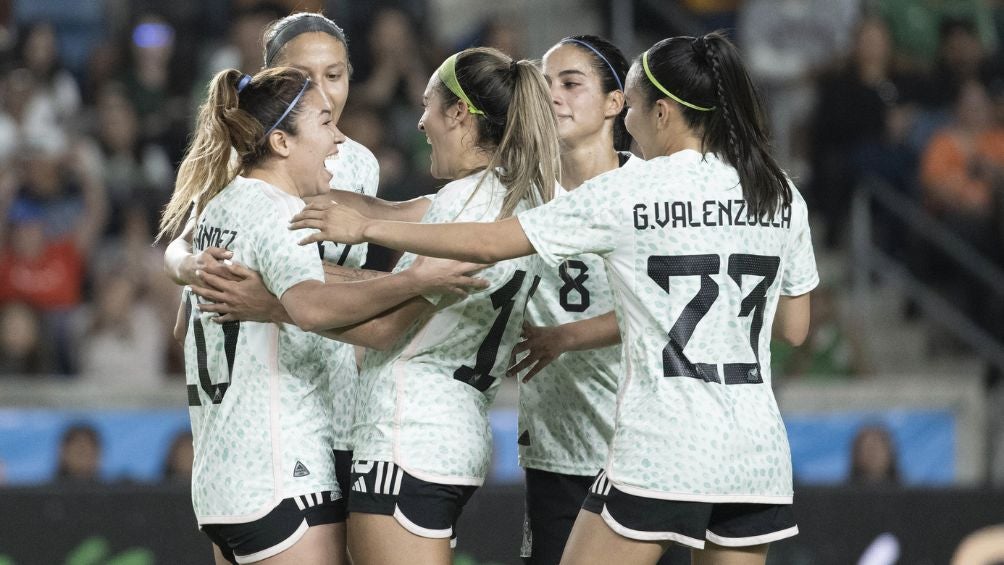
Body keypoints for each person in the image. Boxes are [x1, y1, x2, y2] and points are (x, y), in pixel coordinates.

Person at [292, 32, 817, 565]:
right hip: (757, 455)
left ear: (661, 113)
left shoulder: (631, 191)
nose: (628, 128)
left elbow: (485, 241)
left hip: (663, 445)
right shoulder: (777, 190)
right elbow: (794, 326)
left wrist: (364, 230)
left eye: (632, 109)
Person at [196, 46, 559, 565]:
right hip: (454, 435)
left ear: (459, 114)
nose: (419, 122)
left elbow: (386, 324)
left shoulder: (455, 205)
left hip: (405, 435)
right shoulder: (514, 200)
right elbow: (386, 231)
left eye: (429, 106)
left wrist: (276, 301)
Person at [157, 66, 486, 565]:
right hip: (283, 475)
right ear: (282, 142)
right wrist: (414, 280)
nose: (338, 141)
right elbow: (311, 307)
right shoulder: (279, 213)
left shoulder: (216, 211)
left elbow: (184, 327)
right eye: (326, 123)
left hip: (222, 481)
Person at [509, 34, 639, 565]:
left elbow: (668, 306)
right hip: (556, 452)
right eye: (545, 85)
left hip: (644, 451)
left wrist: (566, 336)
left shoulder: (650, 193)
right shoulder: (518, 190)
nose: (553, 96)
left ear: (615, 103)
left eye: (570, 83)